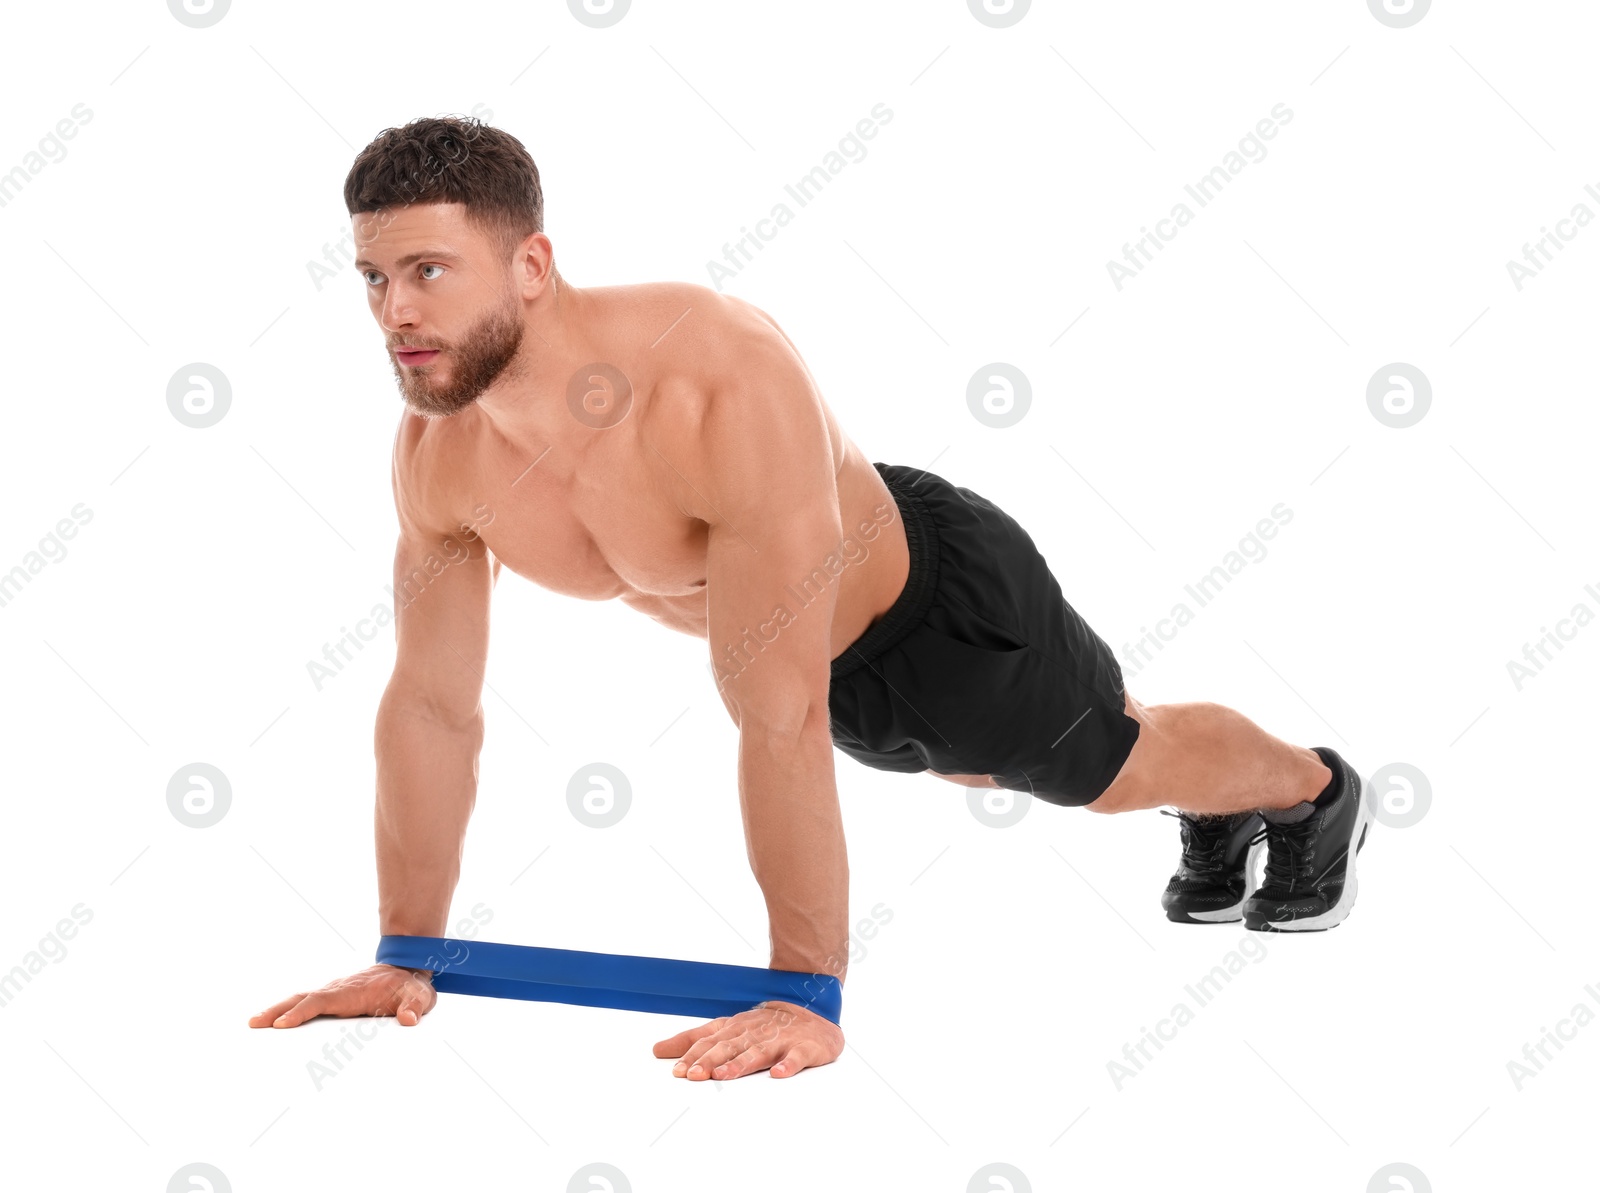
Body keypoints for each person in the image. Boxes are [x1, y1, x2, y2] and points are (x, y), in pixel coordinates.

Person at [249, 115, 1372, 1081]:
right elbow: (433, 707)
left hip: (935, 620)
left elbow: (773, 712)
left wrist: (805, 990)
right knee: (994, 765)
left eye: (429, 270)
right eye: (373, 277)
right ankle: (1227, 811)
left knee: (1109, 769)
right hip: (808, 667)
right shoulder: (440, 454)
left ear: (531, 265)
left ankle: (1311, 790)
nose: (394, 309)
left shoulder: (717, 376)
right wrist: (410, 946)